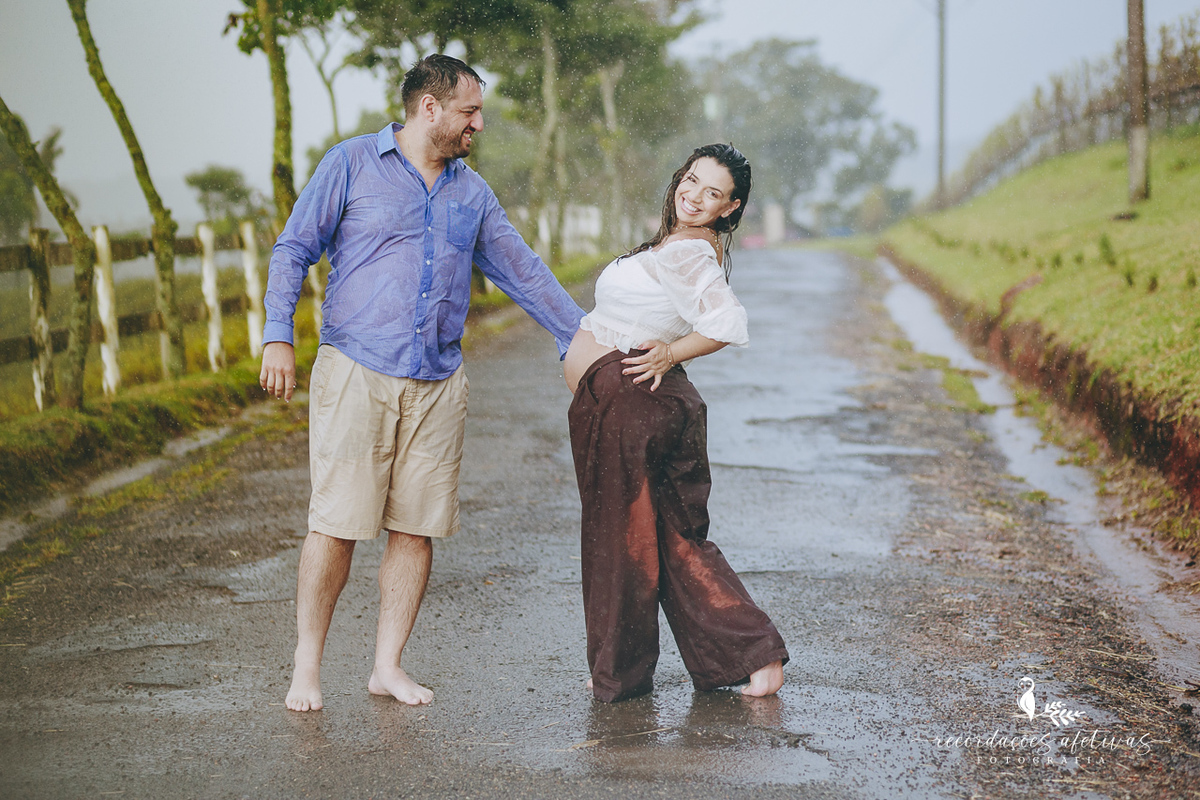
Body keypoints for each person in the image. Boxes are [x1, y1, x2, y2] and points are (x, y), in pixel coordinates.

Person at [259, 54, 584, 712]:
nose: (479, 124)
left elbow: (525, 272)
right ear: (429, 109)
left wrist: (585, 342)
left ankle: (387, 666)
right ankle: (308, 664)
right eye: (470, 111)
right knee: (337, 523)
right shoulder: (350, 163)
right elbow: (294, 247)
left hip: (438, 380)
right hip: (357, 370)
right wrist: (278, 335)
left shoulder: (472, 193)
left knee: (416, 528)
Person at [563, 144, 788, 703]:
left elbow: (727, 321)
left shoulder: (688, 250)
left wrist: (668, 353)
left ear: (730, 208)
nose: (694, 196)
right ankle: (754, 656)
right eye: (691, 181)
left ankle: (620, 675)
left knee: (621, 543)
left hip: (634, 408)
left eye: (712, 192)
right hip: (641, 407)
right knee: (672, 539)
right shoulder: (680, 244)